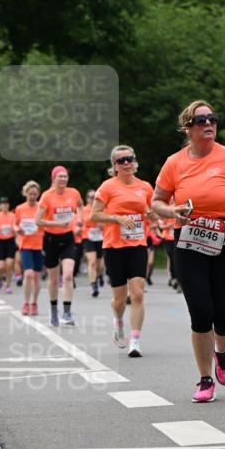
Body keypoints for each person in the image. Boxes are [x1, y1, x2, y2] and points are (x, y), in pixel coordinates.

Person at [151, 100, 225, 402]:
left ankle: (220, 352)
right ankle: (204, 379)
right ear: (188, 128)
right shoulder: (174, 163)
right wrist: (173, 211)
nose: (209, 123)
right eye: (201, 120)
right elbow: (156, 202)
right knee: (200, 312)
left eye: (212, 118)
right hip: (189, 241)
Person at [90, 145, 154, 357]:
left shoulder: (145, 187)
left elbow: (152, 213)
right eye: (121, 160)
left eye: (130, 159)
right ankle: (118, 322)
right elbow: (94, 215)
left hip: (137, 245)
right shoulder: (108, 187)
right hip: (114, 247)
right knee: (119, 300)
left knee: (138, 294)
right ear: (115, 166)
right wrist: (116, 218)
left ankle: (135, 341)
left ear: (135, 162)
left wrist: (153, 215)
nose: (126, 163)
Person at [35, 166, 83, 326]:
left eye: (65, 176)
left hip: (68, 238)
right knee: (53, 279)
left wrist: (80, 220)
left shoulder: (74, 193)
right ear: (53, 179)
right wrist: (57, 224)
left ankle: (67, 313)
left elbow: (80, 206)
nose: (63, 179)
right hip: (51, 240)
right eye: (60, 176)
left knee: (68, 275)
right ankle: (54, 309)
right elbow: (37, 220)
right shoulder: (47, 196)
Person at [14, 181, 44, 315]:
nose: (32, 196)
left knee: (37, 276)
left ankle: (34, 303)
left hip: (39, 245)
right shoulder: (20, 208)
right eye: (30, 194)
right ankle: (26, 303)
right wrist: (17, 229)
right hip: (25, 245)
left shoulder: (41, 208)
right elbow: (15, 224)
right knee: (28, 273)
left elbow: (46, 223)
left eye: (35, 194)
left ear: (38, 195)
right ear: (25, 193)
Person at [81, 189, 105, 298]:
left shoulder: (102, 208)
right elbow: (84, 221)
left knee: (100, 265)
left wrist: (100, 223)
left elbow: (106, 222)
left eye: (95, 197)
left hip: (100, 237)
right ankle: (94, 285)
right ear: (87, 199)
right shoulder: (84, 210)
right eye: (91, 197)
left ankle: (99, 276)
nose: (93, 199)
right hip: (88, 237)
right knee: (92, 262)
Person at [0, 198, 17, 293]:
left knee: (9, 264)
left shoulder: (13, 216)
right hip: (0, 242)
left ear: (9, 205)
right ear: (0, 206)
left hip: (10, 241)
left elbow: (16, 226)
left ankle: (8, 286)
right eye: (3, 204)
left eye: (6, 204)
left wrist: (15, 230)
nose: (5, 206)